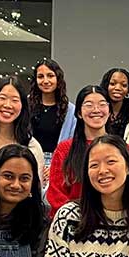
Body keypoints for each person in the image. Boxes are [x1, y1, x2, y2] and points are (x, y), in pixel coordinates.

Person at [46, 85, 110, 218]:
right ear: (79, 113)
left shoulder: (121, 149)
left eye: (102, 104)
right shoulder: (65, 150)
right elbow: (55, 193)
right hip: (70, 222)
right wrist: (77, 217)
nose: (96, 110)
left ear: (109, 110)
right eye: (89, 105)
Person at [28, 59, 77, 168]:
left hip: (60, 164)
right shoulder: (26, 107)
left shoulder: (70, 111)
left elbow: (72, 144)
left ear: (58, 79)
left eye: (50, 76)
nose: (45, 81)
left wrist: (53, 167)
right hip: (30, 161)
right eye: (40, 76)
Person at [99, 67, 129, 161]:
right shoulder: (96, 114)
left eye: (124, 85)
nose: (118, 88)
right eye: (112, 84)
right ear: (106, 87)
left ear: (128, 91)